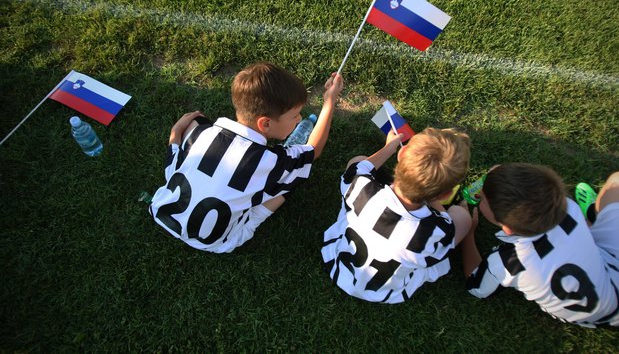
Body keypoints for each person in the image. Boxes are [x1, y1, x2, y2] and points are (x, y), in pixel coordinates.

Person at [149, 61, 344, 253]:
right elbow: (313, 150)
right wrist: (330, 101)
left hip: (161, 210)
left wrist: (175, 133)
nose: (299, 119)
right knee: (289, 182)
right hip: (219, 242)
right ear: (266, 124)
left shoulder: (202, 133)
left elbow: (174, 167)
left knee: (195, 124)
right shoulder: (271, 162)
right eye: (294, 116)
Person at [461, 163, 619, 327]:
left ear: (508, 229)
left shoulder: (509, 262)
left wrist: (468, 232)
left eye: (483, 199)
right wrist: (496, 177)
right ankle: (596, 219)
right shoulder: (567, 207)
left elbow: (476, 286)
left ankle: (596, 219)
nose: (480, 196)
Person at [321, 127, 473, 303]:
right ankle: (447, 199)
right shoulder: (434, 231)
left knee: (358, 160)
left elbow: (358, 167)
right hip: (384, 292)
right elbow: (446, 228)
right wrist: (431, 196)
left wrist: (389, 147)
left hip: (336, 263)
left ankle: (415, 187)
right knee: (462, 218)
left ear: (401, 154)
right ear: (446, 195)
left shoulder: (361, 187)